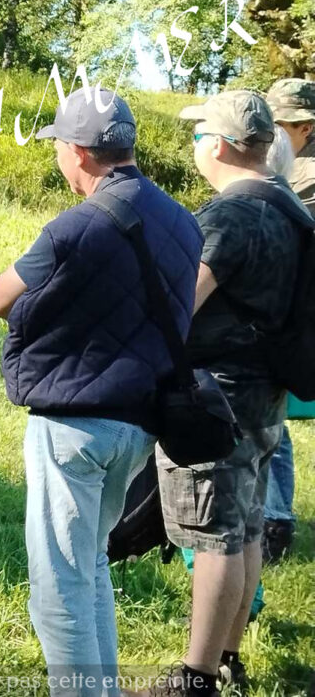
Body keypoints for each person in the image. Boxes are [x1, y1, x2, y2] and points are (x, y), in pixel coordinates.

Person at [0, 88, 203, 697]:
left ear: (78, 152)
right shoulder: (184, 221)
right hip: (140, 425)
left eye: (59, 146)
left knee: (58, 582)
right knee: (93, 566)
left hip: (72, 424)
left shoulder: (73, 227)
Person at [151, 90, 308, 697]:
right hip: (265, 392)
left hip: (216, 395)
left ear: (215, 145)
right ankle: (228, 659)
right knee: (243, 531)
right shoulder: (291, 207)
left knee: (214, 535)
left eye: (197, 137)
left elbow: (177, 306)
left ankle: (194, 677)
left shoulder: (230, 215)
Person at [261, 78, 315, 563]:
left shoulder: (306, 175)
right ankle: (275, 517)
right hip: (283, 307)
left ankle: (275, 519)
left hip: (293, 310)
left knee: (270, 418)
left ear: (304, 126)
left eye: (280, 123)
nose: (272, 131)